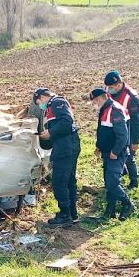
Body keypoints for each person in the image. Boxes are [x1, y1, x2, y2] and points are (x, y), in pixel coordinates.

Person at [33, 88, 81, 226]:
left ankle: (65, 215)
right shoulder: (53, 106)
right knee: (69, 180)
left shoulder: (56, 102)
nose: (39, 105)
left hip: (65, 147)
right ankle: (72, 213)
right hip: (68, 145)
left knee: (59, 181)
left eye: (38, 102)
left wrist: (51, 132)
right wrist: (45, 137)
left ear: (42, 97)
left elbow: (67, 121)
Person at [90, 88, 134, 220]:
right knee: (109, 182)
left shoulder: (114, 110)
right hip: (107, 152)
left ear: (99, 99)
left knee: (112, 183)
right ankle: (110, 211)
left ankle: (128, 204)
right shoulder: (105, 109)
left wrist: (115, 151)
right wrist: (99, 147)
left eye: (95, 102)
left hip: (115, 154)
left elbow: (122, 135)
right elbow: (103, 131)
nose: (94, 104)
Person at [104, 70, 139, 189]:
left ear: (119, 84)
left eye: (111, 87)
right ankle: (120, 173)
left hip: (128, 130)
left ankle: (134, 181)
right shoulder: (108, 92)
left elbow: (137, 121)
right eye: (108, 87)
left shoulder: (131, 97)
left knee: (129, 157)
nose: (108, 89)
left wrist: (135, 141)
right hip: (113, 129)